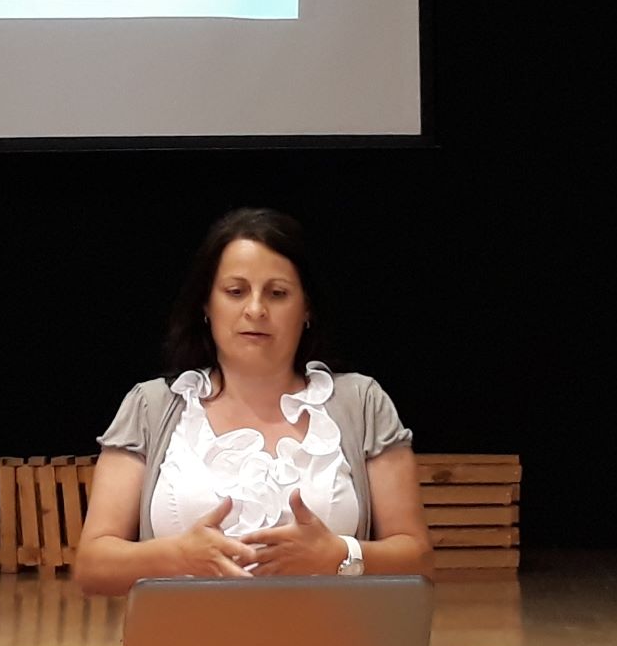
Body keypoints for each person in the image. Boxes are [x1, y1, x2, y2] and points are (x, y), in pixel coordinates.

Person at [74, 209, 431, 596]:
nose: (256, 310)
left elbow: (417, 559)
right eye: (235, 291)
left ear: (306, 308)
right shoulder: (152, 407)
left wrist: (338, 554)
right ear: (206, 306)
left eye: (277, 294)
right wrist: (180, 556)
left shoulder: (361, 403)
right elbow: (93, 566)